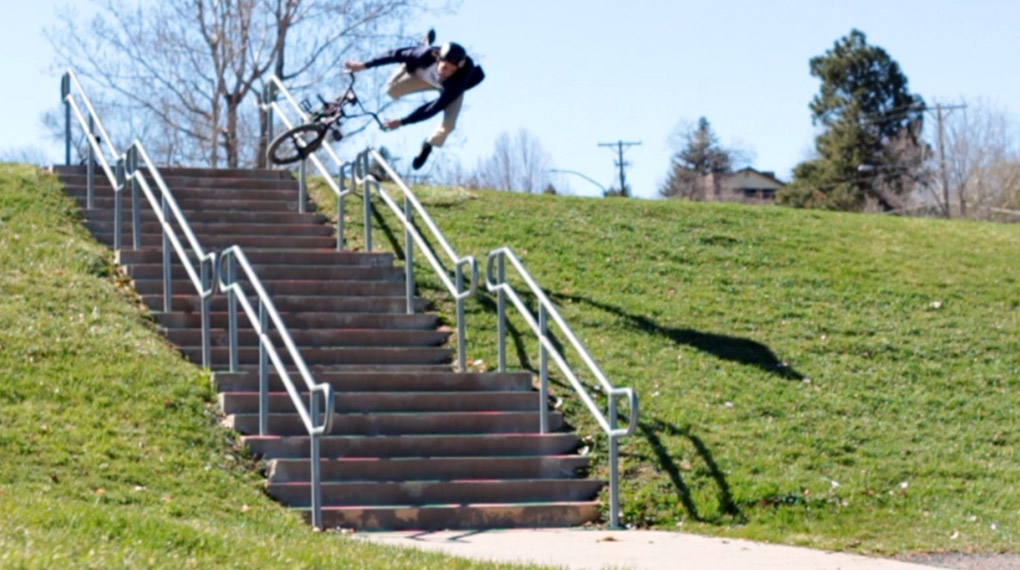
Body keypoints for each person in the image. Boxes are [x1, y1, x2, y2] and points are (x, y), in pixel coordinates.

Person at [345, 38, 484, 169]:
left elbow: (433, 108)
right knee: (392, 90)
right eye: (445, 67)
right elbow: (394, 55)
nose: (447, 73)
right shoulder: (423, 56)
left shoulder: (458, 80)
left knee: (449, 124)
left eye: (452, 70)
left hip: (449, 89)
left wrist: (403, 121)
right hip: (421, 75)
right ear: (438, 58)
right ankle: (422, 44)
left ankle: (429, 145)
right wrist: (364, 65)